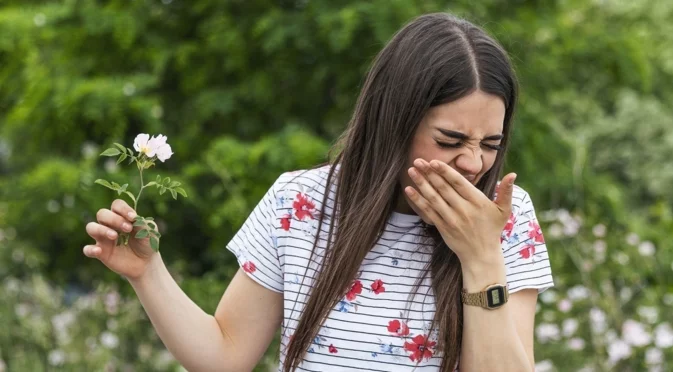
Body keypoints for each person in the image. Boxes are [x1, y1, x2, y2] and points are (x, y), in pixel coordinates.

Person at [83, 12, 553, 372]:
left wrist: (481, 258)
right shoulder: (301, 202)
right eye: (450, 141)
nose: (473, 163)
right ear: (394, 124)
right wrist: (148, 273)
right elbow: (224, 356)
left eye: (490, 144)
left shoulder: (507, 216)